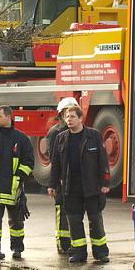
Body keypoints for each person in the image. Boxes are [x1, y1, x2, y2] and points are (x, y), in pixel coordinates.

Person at [48, 105, 110, 264]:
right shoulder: (61, 138)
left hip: (91, 186)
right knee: (74, 221)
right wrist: (52, 185)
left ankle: (101, 252)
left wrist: (104, 183)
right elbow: (55, 164)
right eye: (67, 117)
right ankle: (79, 253)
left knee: (95, 220)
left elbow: (103, 160)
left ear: (81, 118)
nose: (69, 120)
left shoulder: (93, 135)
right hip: (71, 187)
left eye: (72, 117)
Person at [0, 105, 34, 260]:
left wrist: (19, 177)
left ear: (9, 117)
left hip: (14, 188)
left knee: (16, 222)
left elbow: (29, 161)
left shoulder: (21, 139)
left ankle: (17, 249)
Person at [48, 97, 79, 255]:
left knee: (73, 212)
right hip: (61, 180)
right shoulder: (56, 132)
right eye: (68, 113)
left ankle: (72, 243)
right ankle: (63, 244)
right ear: (61, 114)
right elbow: (54, 160)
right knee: (62, 211)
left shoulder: (77, 131)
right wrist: (54, 183)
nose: (69, 116)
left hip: (75, 181)